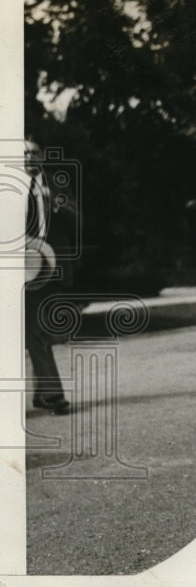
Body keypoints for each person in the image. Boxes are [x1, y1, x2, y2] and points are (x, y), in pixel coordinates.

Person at [24, 137, 73, 415]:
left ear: (41, 155)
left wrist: (58, 205)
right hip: (19, 269)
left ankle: (46, 394)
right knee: (34, 331)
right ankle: (50, 394)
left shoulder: (57, 184)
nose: (29, 157)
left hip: (47, 267)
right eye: (24, 153)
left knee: (38, 330)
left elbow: (76, 218)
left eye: (34, 152)